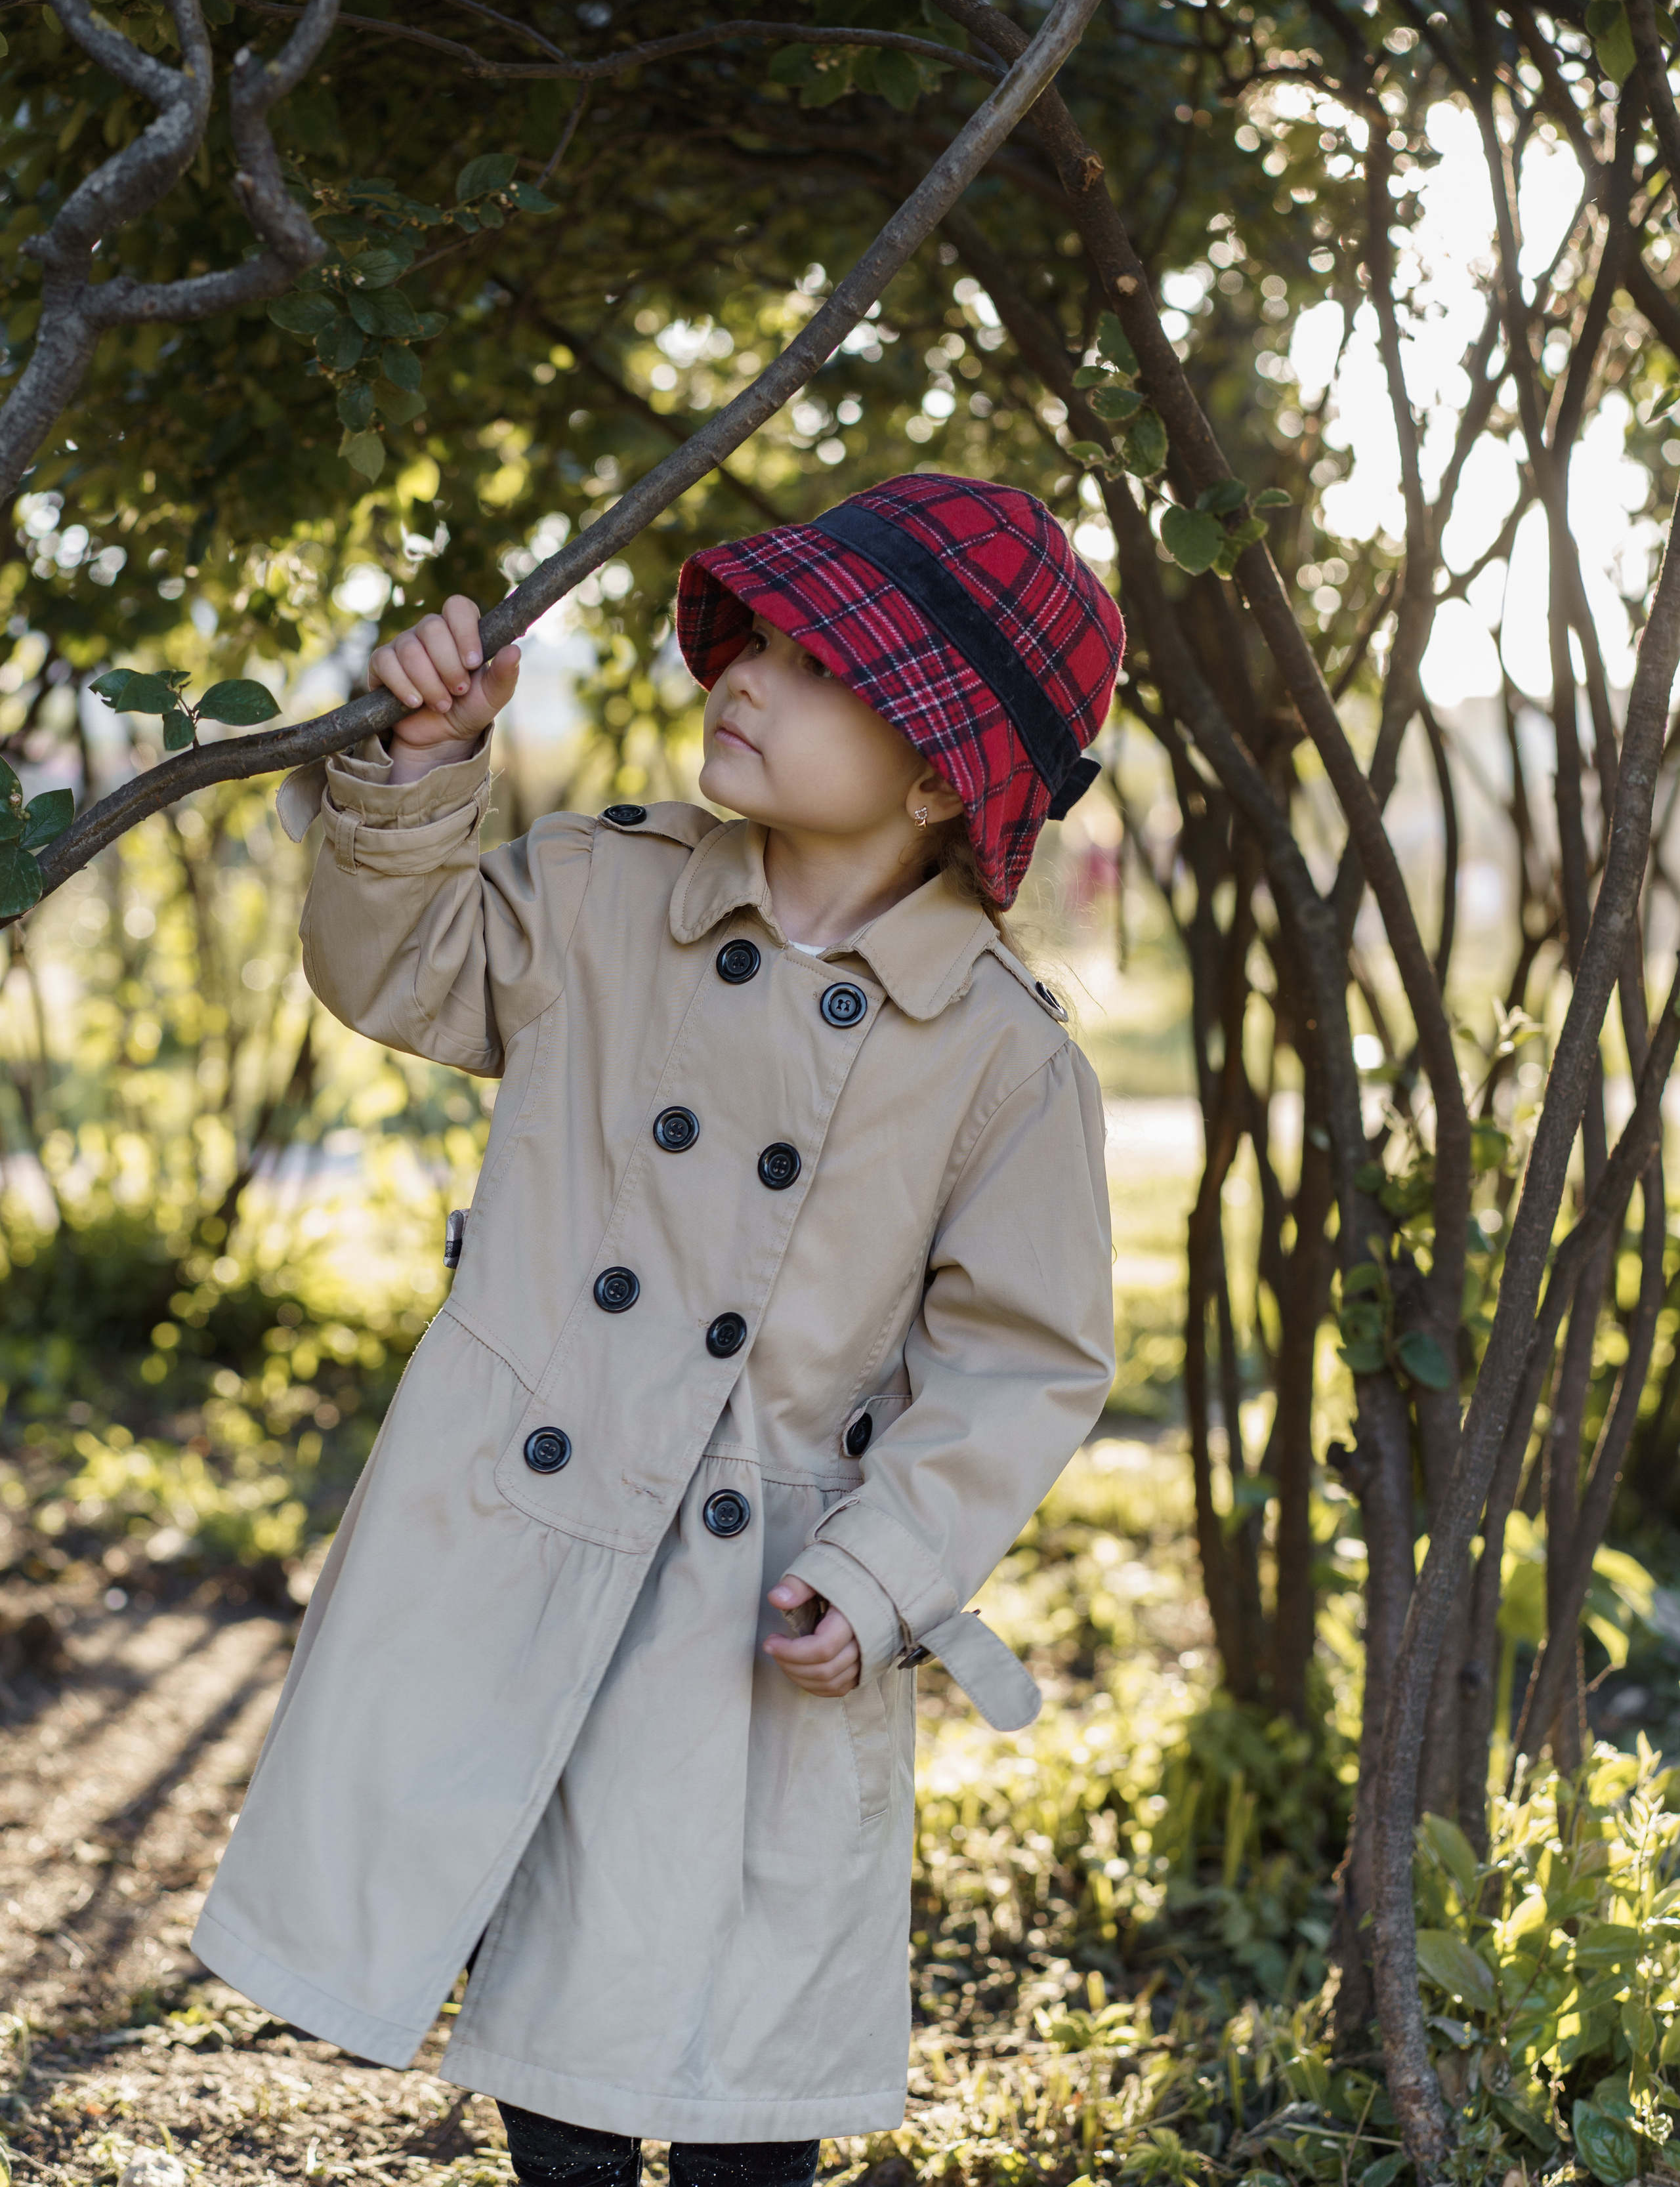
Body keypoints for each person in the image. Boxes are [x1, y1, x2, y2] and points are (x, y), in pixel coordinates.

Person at [193, 471, 1124, 2187]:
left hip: (761, 1594)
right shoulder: (605, 897)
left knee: (737, 2071)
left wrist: (884, 1568)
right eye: (753, 640)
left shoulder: (1000, 1058)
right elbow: (399, 968)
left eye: (819, 666)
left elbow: (1024, 1356)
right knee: (557, 2029)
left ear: (939, 770)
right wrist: (421, 769)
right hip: (539, 1530)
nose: (747, 678)